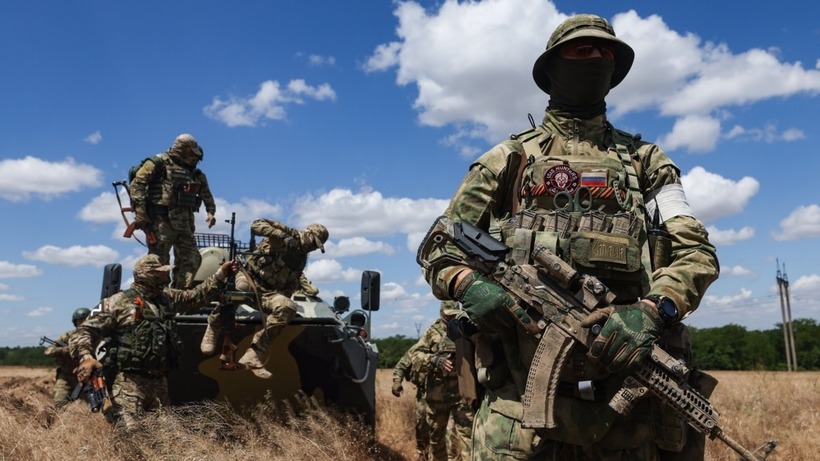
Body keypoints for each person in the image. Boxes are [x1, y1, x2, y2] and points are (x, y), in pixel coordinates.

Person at [417, 13, 719, 461]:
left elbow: (696, 253)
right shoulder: (508, 159)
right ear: (552, 69)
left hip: (627, 412)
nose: (595, 57)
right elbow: (439, 246)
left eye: (604, 52)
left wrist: (656, 308)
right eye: (582, 50)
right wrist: (467, 284)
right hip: (516, 413)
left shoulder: (647, 162)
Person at [69, 254, 236, 430]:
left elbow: (196, 297)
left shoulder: (167, 298)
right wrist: (86, 357)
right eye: (161, 273)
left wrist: (220, 274)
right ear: (148, 276)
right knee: (130, 434)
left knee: (166, 437)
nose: (166, 276)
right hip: (129, 383)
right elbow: (84, 331)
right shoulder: (116, 302)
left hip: (159, 383)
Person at [199, 219, 329, 379]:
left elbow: (290, 282)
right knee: (238, 289)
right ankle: (213, 326)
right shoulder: (287, 236)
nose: (314, 248)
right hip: (249, 280)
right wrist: (281, 235)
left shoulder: (301, 258)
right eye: (314, 243)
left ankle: (254, 354)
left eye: (317, 246)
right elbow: (256, 224)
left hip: (267, 294)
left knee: (288, 306)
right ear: (307, 234)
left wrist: (279, 307)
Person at [130, 133, 217, 289]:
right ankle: (159, 294)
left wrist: (211, 212)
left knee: (192, 258)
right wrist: (141, 211)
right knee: (159, 262)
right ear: (182, 149)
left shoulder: (195, 174)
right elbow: (137, 185)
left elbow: (206, 195)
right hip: (161, 222)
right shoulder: (157, 163)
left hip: (184, 224)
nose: (193, 157)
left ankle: (178, 294)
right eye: (191, 152)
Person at [410, 301, 474, 461]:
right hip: (437, 396)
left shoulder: (465, 328)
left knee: (468, 438)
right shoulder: (433, 332)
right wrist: (434, 359)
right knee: (436, 439)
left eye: (453, 313)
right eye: (447, 314)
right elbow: (415, 355)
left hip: (462, 395)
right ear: (441, 313)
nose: (450, 317)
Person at [392, 339, 432, 459]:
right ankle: (423, 454)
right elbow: (401, 366)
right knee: (422, 426)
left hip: (450, 395)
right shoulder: (418, 349)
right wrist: (397, 381)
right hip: (425, 394)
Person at [43, 307, 90, 407]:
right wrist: (63, 350)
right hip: (66, 377)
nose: (82, 323)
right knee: (59, 403)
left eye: (86, 320)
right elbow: (48, 351)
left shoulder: (95, 337)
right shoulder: (66, 336)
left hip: (85, 377)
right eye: (80, 321)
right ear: (75, 322)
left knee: (89, 405)